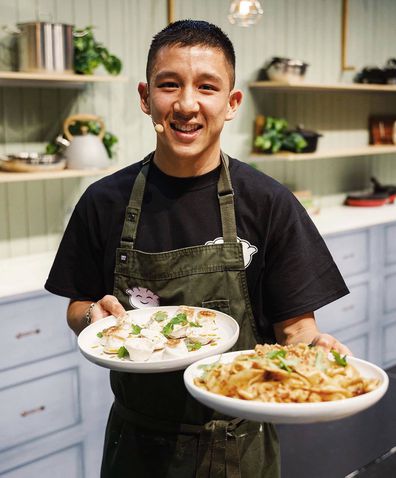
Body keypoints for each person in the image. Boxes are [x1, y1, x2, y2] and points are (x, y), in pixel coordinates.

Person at [45, 19, 351, 478]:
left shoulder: (268, 202)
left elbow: (296, 329)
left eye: (206, 87)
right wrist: (92, 317)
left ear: (231, 103)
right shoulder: (103, 201)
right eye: (170, 85)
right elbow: (79, 305)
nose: (187, 104)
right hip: (136, 447)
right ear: (146, 97)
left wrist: (313, 354)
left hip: (239, 444)